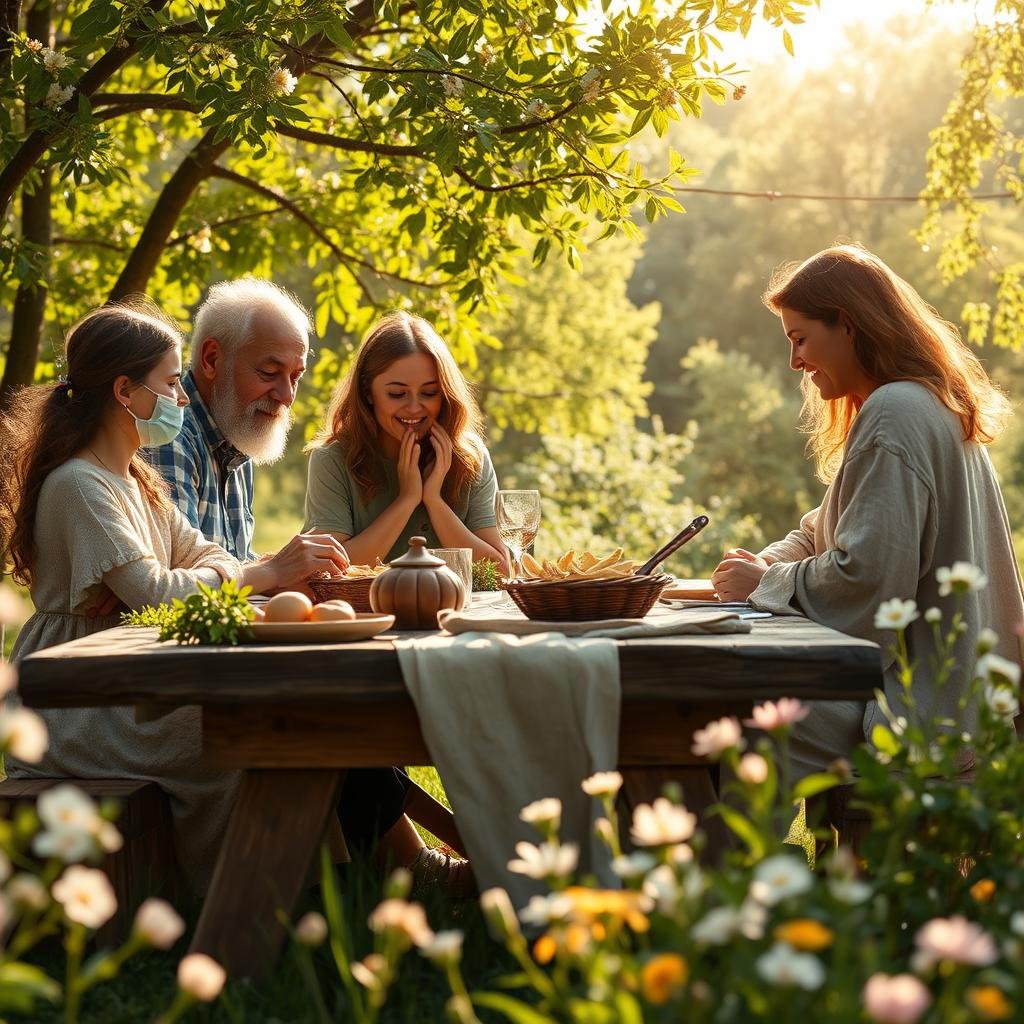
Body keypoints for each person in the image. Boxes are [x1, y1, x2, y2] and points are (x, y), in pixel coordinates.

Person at [0, 301, 463, 893]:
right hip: (82, 703)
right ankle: (257, 894)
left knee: (300, 713)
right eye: (171, 384)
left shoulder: (133, 481)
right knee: (264, 725)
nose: (182, 399)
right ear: (125, 391)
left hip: (130, 675)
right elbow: (154, 593)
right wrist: (260, 576)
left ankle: (352, 879)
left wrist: (239, 574)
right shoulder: (79, 486)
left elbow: (208, 557)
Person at [710, 244, 1024, 778]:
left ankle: (735, 861)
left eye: (800, 339)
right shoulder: (926, 402)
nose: (795, 362)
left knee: (723, 725)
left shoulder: (895, 411)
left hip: (917, 711)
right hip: (967, 703)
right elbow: (827, 527)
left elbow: (867, 579)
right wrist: (761, 568)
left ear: (848, 326)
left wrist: (766, 585)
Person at [148, 276, 348, 590]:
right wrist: (275, 570)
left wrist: (276, 565)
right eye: (269, 372)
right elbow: (180, 586)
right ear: (211, 359)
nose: (287, 395)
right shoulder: (170, 438)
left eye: (296, 377)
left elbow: (230, 566)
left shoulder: (236, 435)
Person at [304, 310, 507, 572]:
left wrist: (434, 501)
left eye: (429, 392)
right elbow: (326, 569)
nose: (414, 408)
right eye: (397, 394)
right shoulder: (332, 460)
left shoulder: (470, 457)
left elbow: (502, 570)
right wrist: (407, 499)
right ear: (368, 392)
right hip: (364, 613)